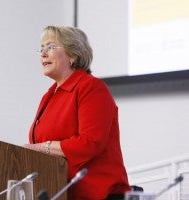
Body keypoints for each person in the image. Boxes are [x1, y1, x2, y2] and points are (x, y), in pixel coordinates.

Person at [24, 26, 130, 199]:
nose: (43, 53)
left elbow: (90, 142)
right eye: (41, 49)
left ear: (73, 55)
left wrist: (41, 148)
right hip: (59, 192)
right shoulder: (48, 96)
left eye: (50, 47)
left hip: (98, 194)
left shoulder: (91, 87)